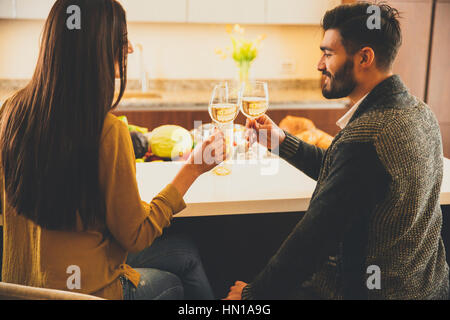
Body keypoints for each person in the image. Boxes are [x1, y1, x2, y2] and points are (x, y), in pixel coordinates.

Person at [0, 0, 225, 300]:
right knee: (176, 277)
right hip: (86, 293)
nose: (130, 48)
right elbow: (137, 235)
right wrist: (193, 169)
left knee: (184, 251)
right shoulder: (107, 131)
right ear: (96, 47)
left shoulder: (10, 111)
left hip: (19, 287)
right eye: (121, 40)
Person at [225, 2, 449, 300]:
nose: (320, 64)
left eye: (328, 53)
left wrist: (252, 296)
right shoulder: (420, 112)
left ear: (364, 57)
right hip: (429, 288)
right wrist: (280, 140)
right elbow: (349, 177)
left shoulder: (368, 135)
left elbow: (313, 241)